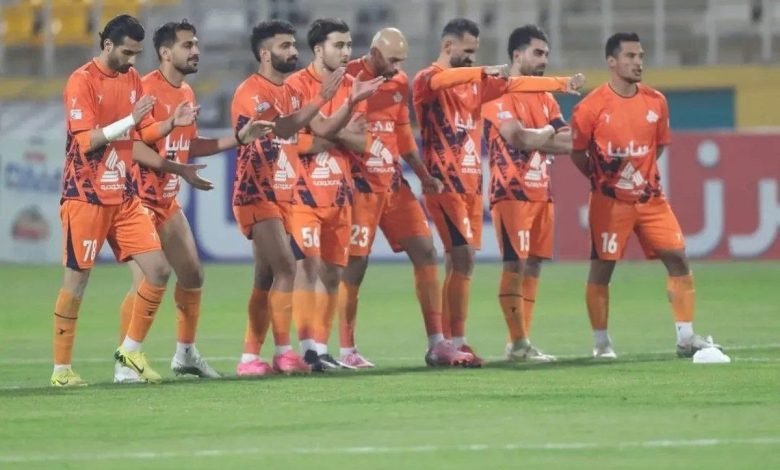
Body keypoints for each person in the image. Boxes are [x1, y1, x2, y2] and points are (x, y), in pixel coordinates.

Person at [412, 18, 584, 366]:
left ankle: (453, 342)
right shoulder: (427, 79)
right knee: (464, 257)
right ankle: (453, 342)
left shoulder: (477, 88)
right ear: (447, 46)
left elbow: (516, 83)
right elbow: (444, 80)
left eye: (475, 52)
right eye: (468, 51)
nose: (472, 58)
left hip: (472, 186)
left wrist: (561, 83)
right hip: (447, 182)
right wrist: (480, 73)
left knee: (462, 261)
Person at [52, 14, 211, 386]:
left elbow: (144, 131)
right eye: (126, 52)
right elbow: (86, 140)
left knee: (158, 270)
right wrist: (129, 121)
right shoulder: (81, 81)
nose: (132, 61)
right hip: (85, 194)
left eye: (137, 54)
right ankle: (61, 369)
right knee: (77, 282)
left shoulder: (132, 78)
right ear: (107, 45)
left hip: (122, 194)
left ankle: (130, 352)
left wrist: (171, 123)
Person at [113, 20, 275, 383]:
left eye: (196, 44)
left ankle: (185, 354)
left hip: (166, 200)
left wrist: (239, 138)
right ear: (165, 52)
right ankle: (125, 361)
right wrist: (177, 165)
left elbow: (191, 144)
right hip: (135, 201)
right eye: (188, 45)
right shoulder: (144, 89)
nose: (196, 51)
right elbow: (132, 145)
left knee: (192, 275)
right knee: (146, 280)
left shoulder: (186, 91)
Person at [569, 32, 721, 358]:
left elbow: (659, 145)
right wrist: (604, 181)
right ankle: (601, 343)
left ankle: (686, 337)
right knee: (602, 268)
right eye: (631, 56)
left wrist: (641, 178)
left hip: (651, 199)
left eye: (641, 56)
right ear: (612, 61)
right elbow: (578, 153)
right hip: (609, 202)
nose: (638, 62)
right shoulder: (590, 107)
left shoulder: (656, 101)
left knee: (677, 257)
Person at [338, 27, 473, 367]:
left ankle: (437, 344)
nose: (398, 67)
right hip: (359, 185)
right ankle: (346, 350)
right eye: (393, 59)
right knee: (356, 265)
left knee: (426, 251)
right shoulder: (347, 76)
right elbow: (329, 127)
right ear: (374, 52)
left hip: (394, 183)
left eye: (401, 60)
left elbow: (402, 135)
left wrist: (424, 175)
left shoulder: (398, 82)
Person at [232, 19, 347, 376]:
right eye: (285, 46)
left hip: (284, 195)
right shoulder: (251, 91)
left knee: (265, 276)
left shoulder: (292, 92)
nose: (294, 51)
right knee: (287, 268)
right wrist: (322, 97)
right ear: (265, 54)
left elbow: (320, 127)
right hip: (256, 192)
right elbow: (283, 128)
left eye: (294, 44)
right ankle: (284, 353)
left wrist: (352, 101)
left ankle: (250, 357)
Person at [284, 17, 383, 371]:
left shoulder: (355, 86)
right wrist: (336, 132)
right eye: (338, 45)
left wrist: (325, 134)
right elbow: (297, 143)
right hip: (302, 193)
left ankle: (322, 350)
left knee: (331, 275)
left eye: (348, 45)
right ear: (318, 49)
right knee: (306, 267)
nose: (346, 52)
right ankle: (307, 350)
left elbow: (362, 141)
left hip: (340, 194)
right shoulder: (296, 85)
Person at [483, 25, 572, 362]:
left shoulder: (546, 97)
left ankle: (518, 342)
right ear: (517, 55)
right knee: (515, 263)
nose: (544, 60)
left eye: (546, 54)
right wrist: (548, 131)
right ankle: (519, 342)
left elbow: (569, 141)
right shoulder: (498, 93)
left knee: (533, 265)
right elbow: (516, 137)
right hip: (510, 191)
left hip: (541, 192)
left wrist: (540, 136)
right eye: (538, 53)